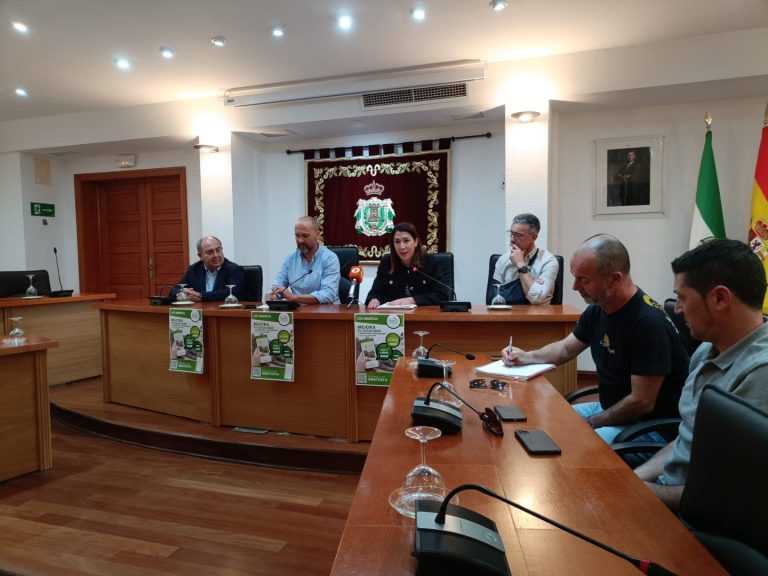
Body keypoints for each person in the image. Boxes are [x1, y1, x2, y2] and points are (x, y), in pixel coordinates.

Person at [502, 234, 688, 442]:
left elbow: (641, 402)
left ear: (614, 279)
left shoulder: (648, 325)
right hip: (611, 408)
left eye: (584, 280)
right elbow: (565, 349)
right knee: (543, 422)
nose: (574, 287)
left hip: (648, 425)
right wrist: (526, 356)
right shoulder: (600, 308)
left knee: (574, 444)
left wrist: (591, 423)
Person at [635, 239, 768, 510]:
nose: (677, 308)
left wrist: (641, 494)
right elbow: (685, 440)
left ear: (719, 298)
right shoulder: (707, 348)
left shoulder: (760, 373)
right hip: (670, 496)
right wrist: (633, 481)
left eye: (682, 297)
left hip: (701, 523)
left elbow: (731, 495)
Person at [365, 222, 452, 308]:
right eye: (397, 242)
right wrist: (374, 299)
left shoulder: (429, 262)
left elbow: (442, 295)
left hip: (423, 314)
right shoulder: (387, 262)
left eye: (406, 241)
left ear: (415, 242)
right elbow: (376, 291)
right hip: (394, 315)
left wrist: (412, 300)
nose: (402, 246)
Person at [489, 213, 559, 305]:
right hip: (507, 313)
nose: (512, 240)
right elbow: (493, 298)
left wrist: (521, 265)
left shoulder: (548, 262)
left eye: (518, 235)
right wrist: (531, 283)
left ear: (533, 237)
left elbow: (537, 299)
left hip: (538, 314)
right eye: (511, 233)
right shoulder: (503, 260)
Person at [270, 216, 340, 304]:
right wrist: (274, 294)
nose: (300, 240)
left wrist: (293, 297)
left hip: (326, 310)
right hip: (298, 310)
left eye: (305, 236)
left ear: (317, 235)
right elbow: (277, 285)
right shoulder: (290, 259)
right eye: (297, 235)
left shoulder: (330, 258)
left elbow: (328, 295)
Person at [169, 236, 244, 302]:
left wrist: (200, 295)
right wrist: (184, 293)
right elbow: (174, 291)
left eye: (218, 250)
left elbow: (231, 292)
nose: (216, 255)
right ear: (200, 256)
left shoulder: (234, 269)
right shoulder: (194, 270)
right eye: (210, 252)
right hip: (199, 311)